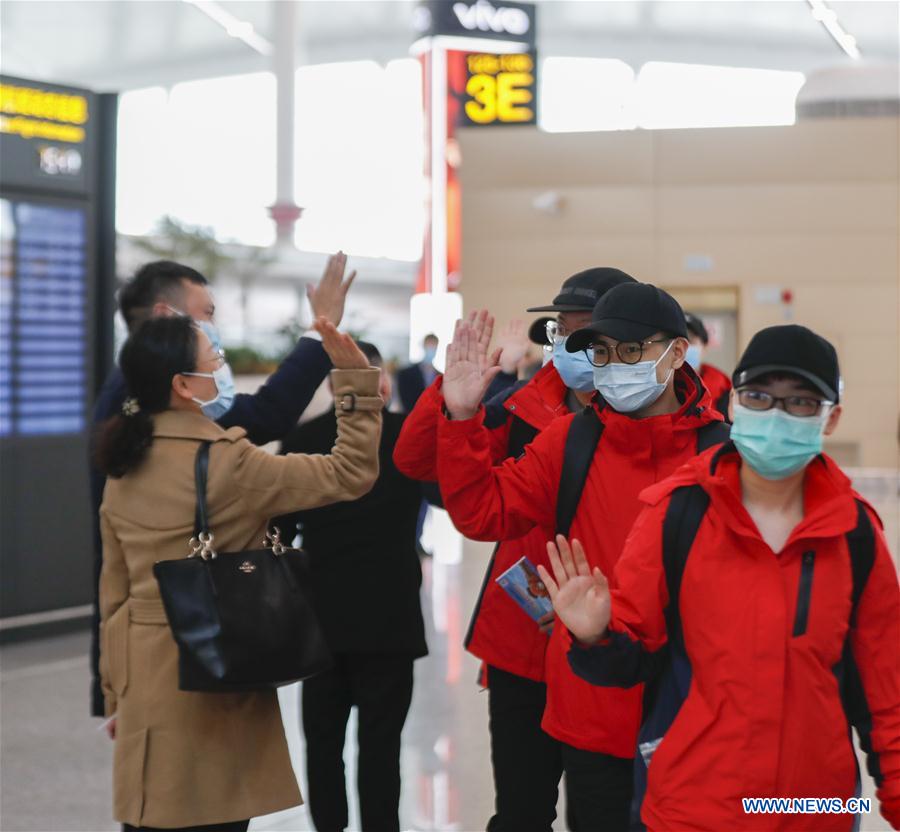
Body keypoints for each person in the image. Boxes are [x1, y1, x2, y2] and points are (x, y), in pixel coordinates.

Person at [539, 324, 900, 832]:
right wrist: (596, 634)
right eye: (758, 396)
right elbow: (632, 654)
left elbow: (888, 695)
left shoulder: (855, 533)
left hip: (816, 810)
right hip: (693, 808)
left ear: (831, 418)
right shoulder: (677, 513)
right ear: (733, 403)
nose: (775, 414)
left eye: (800, 402)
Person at [432, 282, 729, 831]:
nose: (614, 366)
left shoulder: (721, 454)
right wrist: (461, 416)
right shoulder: (570, 440)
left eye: (631, 350)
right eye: (603, 352)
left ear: (677, 353)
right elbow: (483, 513)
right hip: (592, 709)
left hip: (694, 714)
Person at [95, 314, 383, 831]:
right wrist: (357, 384)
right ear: (183, 385)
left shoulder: (123, 462)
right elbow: (350, 471)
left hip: (143, 685)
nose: (222, 369)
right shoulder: (230, 463)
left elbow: (113, 593)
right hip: (214, 682)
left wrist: (116, 694)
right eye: (215, 360)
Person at [394, 268, 640, 832]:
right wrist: (451, 399)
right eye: (562, 331)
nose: (570, 345)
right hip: (524, 641)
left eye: (585, 332)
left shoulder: (648, 416)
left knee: (606, 811)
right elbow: (417, 463)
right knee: (521, 812)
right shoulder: (520, 407)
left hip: (613, 638)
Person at [88, 253, 356, 717]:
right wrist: (326, 338)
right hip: (176, 650)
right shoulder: (165, 405)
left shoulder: (135, 397)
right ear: (166, 315)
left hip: (164, 652)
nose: (214, 330)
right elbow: (274, 419)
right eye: (206, 314)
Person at [272, 341, 428, 832]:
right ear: (381, 382)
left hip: (322, 618)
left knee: (322, 743)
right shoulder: (407, 437)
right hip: (391, 617)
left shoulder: (303, 439)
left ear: (331, 384)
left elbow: (280, 532)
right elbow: (449, 498)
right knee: (382, 744)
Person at [684, 311, 731, 417]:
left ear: (704, 347)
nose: (682, 347)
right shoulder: (657, 388)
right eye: (677, 341)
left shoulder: (723, 389)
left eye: (690, 340)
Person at [397, 333, 440, 412]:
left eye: (433, 346)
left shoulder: (440, 376)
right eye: (429, 345)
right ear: (424, 346)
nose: (431, 349)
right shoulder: (406, 374)